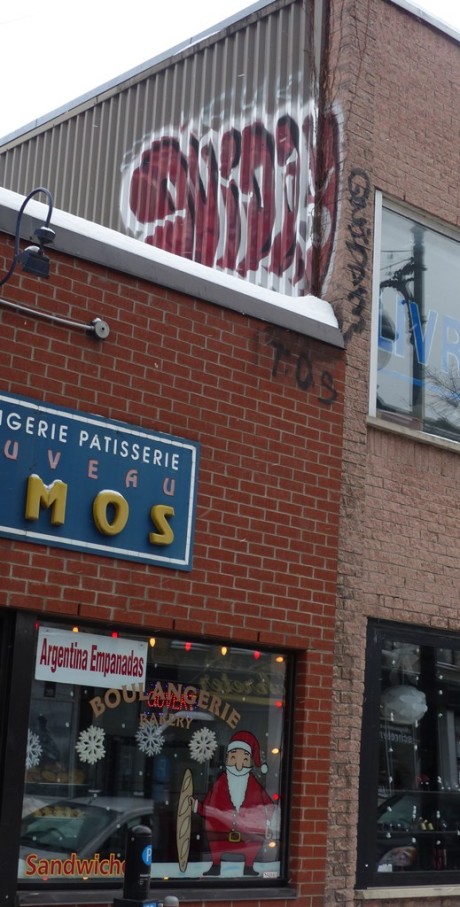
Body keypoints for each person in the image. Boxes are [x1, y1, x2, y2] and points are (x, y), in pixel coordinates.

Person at [191, 729, 275, 877]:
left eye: (244, 760)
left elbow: (267, 805)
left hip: (247, 833)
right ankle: (216, 864)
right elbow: (209, 806)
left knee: (254, 841)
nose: (238, 765)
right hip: (221, 830)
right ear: (228, 759)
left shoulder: (254, 785)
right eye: (234, 758)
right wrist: (197, 806)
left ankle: (249, 865)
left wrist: (268, 823)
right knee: (215, 839)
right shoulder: (220, 783)